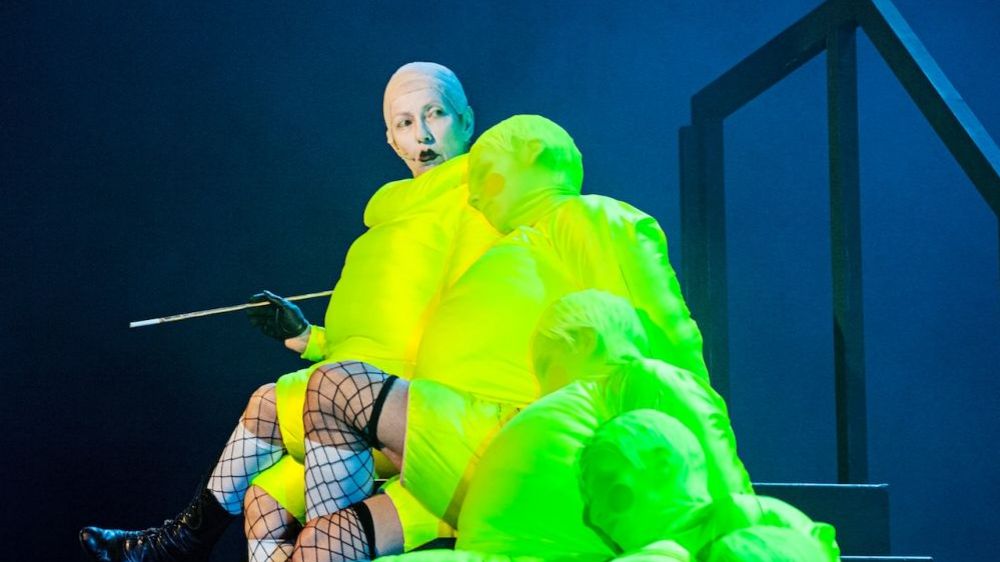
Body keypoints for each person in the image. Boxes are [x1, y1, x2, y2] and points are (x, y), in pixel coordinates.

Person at [79, 62, 497, 562]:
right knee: (264, 495)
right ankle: (184, 540)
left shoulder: (484, 202)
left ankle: (184, 543)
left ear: (467, 120)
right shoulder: (385, 223)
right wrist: (306, 337)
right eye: (405, 123)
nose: (423, 135)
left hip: (417, 404)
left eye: (436, 114)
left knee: (285, 407)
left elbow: (482, 315)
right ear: (390, 140)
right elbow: (381, 328)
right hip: (354, 385)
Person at [289, 115, 708, 561]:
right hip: (468, 449)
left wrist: (691, 466)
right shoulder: (519, 243)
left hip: (517, 442)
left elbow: (668, 335)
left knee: (337, 386)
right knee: (321, 543)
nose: (473, 195)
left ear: (532, 156)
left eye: (486, 176)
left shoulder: (588, 217)